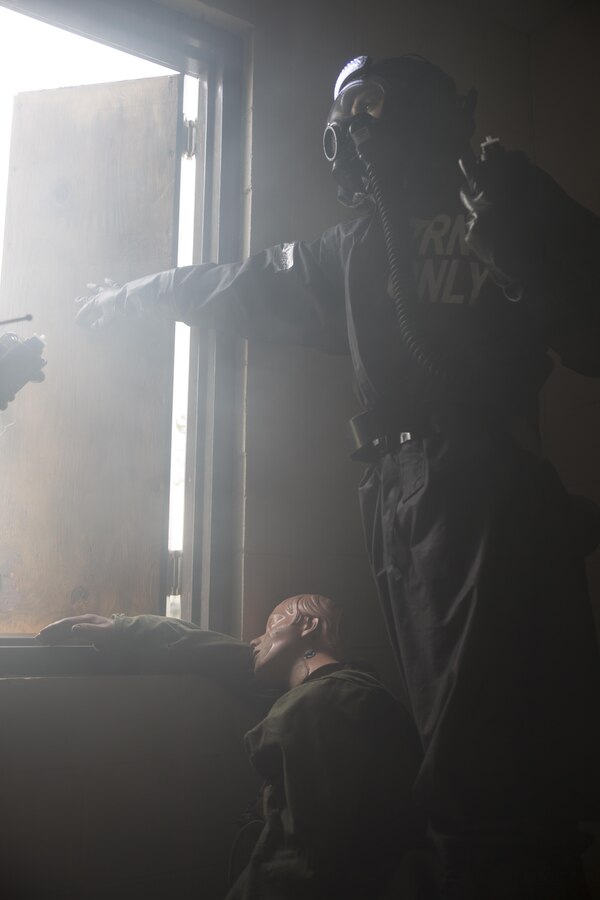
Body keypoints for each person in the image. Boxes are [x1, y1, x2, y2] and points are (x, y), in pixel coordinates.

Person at [72, 54, 600, 896]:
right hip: (397, 493)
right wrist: (136, 293)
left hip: (478, 482)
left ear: (422, 113)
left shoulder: (493, 196)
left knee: (487, 769)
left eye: (369, 106)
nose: (353, 128)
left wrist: (521, 234)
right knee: (454, 741)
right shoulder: (352, 251)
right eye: (343, 111)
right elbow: (239, 283)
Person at [37, 594, 427, 900]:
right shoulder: (349, 695)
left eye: (270, 626)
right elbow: (231, 656)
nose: (256, 639)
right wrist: (126, 630)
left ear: (307, 625)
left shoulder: (325, 702)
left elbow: (303, 867)